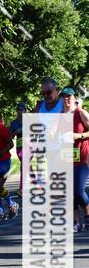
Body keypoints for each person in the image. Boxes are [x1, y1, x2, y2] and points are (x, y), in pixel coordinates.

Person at [60, 87, 89, 232]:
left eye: (69, 96)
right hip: (65, 159)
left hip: (82, 159)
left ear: (74, 98)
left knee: (78, 191)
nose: (66, 99)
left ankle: (88, 215)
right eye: (63, 97)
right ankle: (76, 222)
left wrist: (79, 136)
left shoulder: (81, 113)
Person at [9, 102, 27, 197]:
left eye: (21, 109)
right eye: (18, 110)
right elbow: (9, 137)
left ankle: (22, 189)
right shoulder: (14, 123)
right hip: (20, 147)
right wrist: (16, 132)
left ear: (25, 111)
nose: (19, 111)